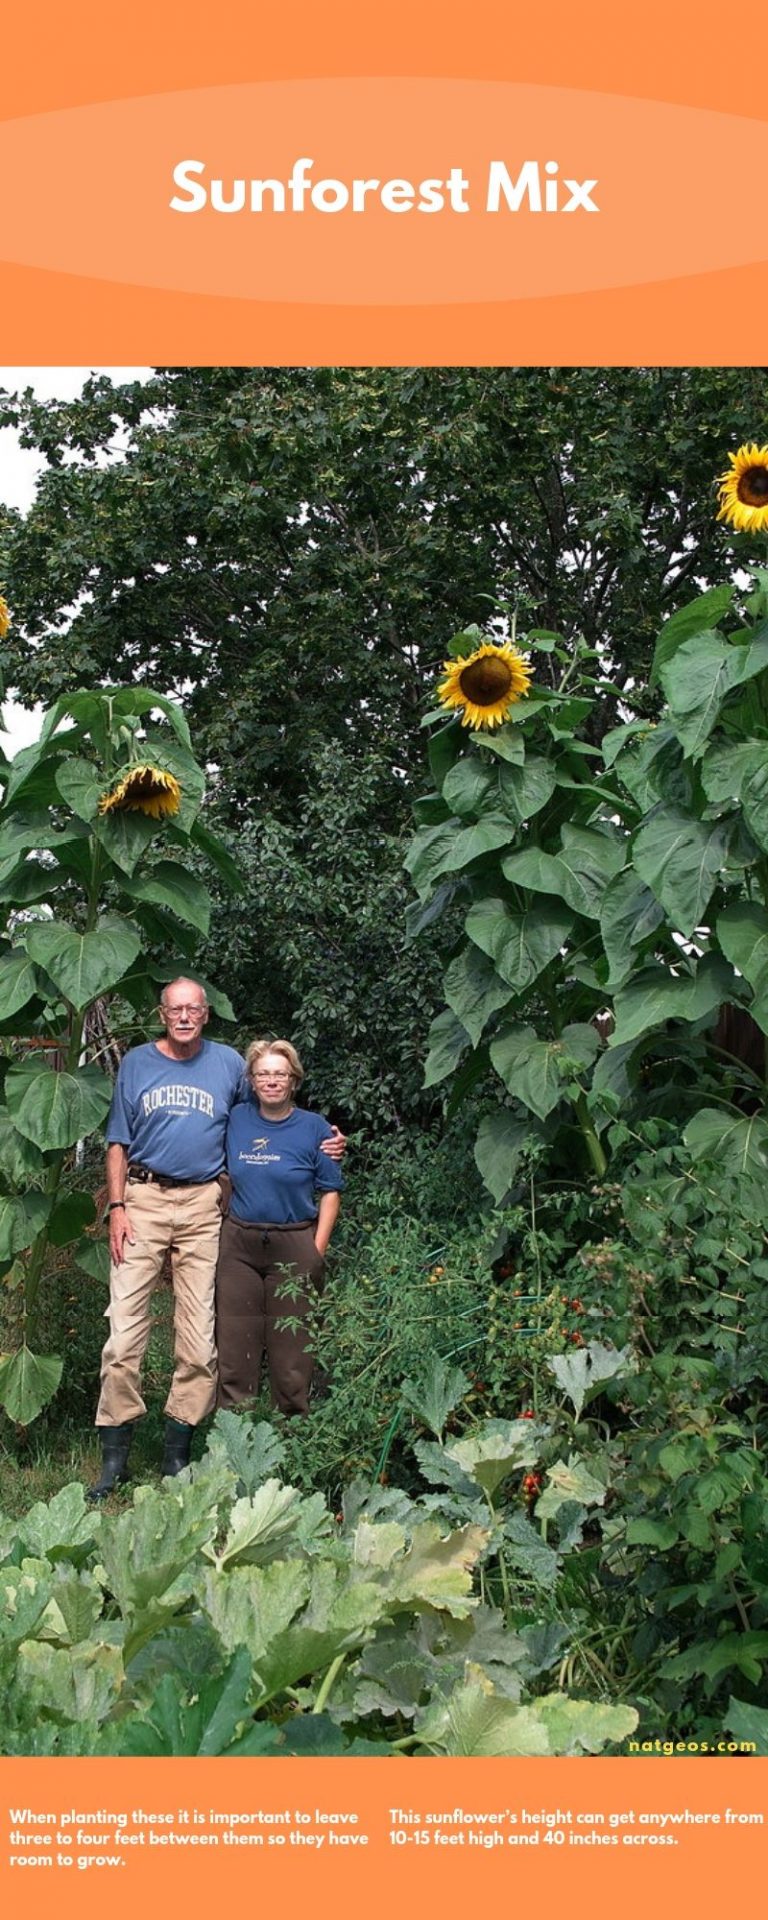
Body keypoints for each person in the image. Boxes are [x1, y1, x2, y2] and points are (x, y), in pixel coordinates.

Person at [89, 980, 345, 1498]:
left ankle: (176, 1457)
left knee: (200, 1341)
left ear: (206, 1015)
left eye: (193, 1009)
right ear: (162, 1014)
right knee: (122, 1335)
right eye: (175, 1009)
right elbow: (117, 1141)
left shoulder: (229, 1064)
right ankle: (114, 1462)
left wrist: (325, 1140)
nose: (184, 1017)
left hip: (206, 1205)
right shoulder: (138, 1063)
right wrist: (116, 1207)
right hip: (142, 1198)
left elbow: (272, 1109)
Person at [215, 1037, 344, 1414]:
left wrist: (316, 1251)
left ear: (294, 1080)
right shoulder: (236, 1119)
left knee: (292, 1352)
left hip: (294, 1242)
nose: (271, 1081)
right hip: (239, 1243)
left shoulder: (315, 1128)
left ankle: (294, 1433)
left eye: (280, 1074)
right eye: (263, 1074)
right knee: (236, 1345)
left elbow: (331, 1191)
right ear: (252, 1081)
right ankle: (235, 1431)